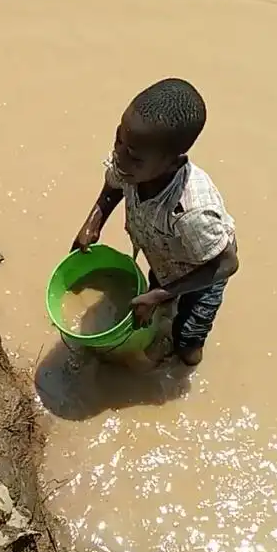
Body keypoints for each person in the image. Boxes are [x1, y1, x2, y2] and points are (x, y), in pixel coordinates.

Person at [71, 77, 238, 366]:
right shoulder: (132, 167)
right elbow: (114, 184)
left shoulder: (192, 211)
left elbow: (226, 264)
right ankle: (164, 306)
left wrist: (160, 294)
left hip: (202, 273)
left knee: (188, 346)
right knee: (154, 304)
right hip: (164, 257)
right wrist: (93, 222)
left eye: (133, 156)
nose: (119, 157)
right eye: (118, 140)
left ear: (173, 163)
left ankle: (181, 350)